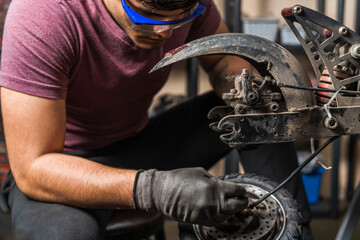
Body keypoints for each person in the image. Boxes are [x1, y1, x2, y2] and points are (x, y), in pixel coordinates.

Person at [0, 0, 312, 239]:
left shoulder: (189, 4)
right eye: (146, 15)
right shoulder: (44, 15)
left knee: (262, 109)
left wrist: (241, 87)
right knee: (67, 235)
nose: (164, 32)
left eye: (180, 18)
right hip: (61, 167)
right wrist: (157, 189)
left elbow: (220, 59)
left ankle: (297, 231)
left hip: (140, 145)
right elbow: (34, 167)